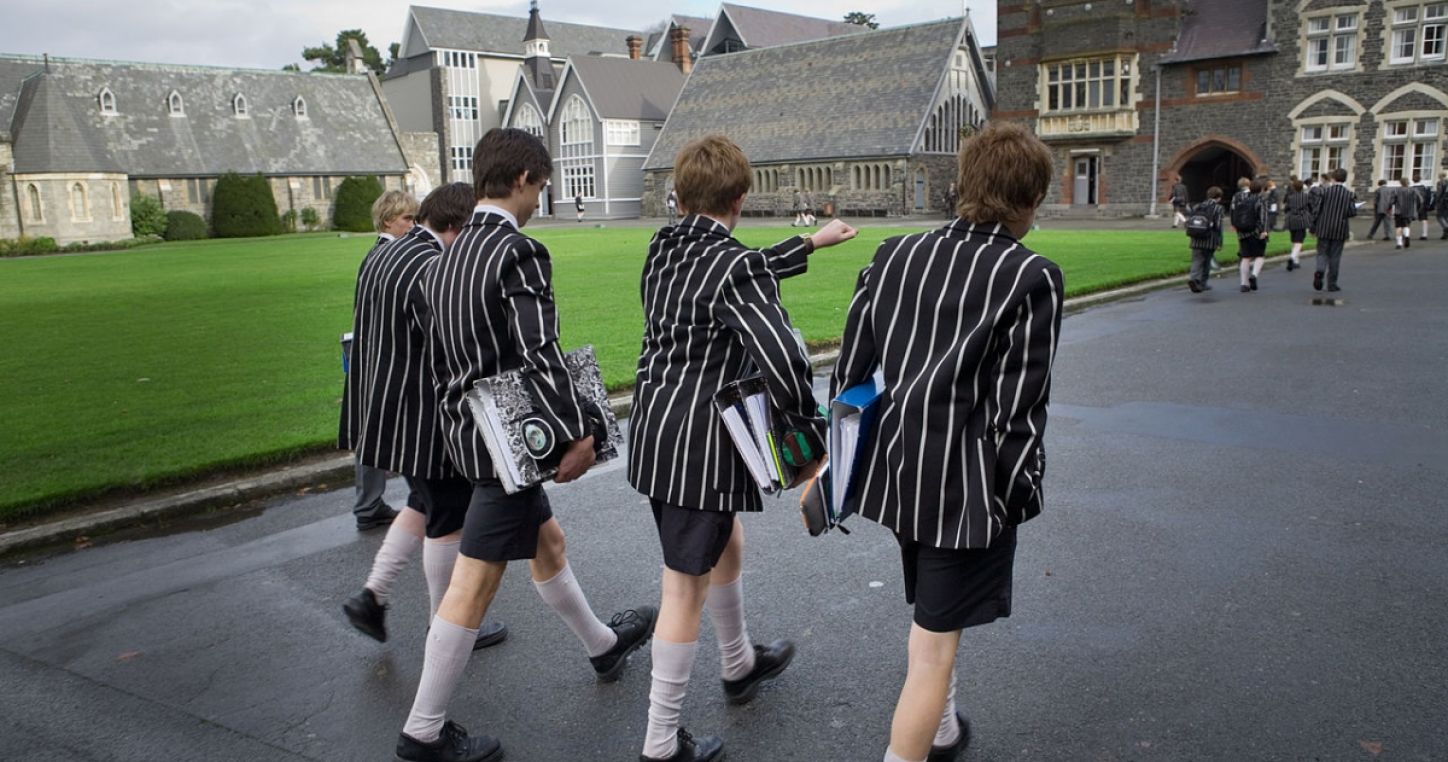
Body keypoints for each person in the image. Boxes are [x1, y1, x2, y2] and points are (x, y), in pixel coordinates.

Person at [398, 129, 656, 762]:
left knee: (549, 543)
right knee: (474, 585)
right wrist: (581, 432)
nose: (540, 199)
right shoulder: (518, 253)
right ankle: (423, 731)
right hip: (510, 446)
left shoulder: (444, 256)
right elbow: (540, 354)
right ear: (520, 179)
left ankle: (602, 645)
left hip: (468, 434)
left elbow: (445, 360)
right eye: (539, 186)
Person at [832, 122, 1063, 762]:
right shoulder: (1030, 275)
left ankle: (943, 731)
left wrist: (840, 473)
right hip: (965, 488)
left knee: (935, 618)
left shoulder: (894, 253)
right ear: (1028, 200)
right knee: (934, 647)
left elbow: (851, 374)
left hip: (896, 472)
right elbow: (1019, 410)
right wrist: (1017, 496)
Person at [627, 134, 857, 762]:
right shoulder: (732, 267)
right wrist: (808, 438)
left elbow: (740, 267)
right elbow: (782, 354)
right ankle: (659, 742)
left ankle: (739, 663)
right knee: (682, 587)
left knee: (725, 542)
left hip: (655, 433)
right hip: (701, 445)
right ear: (739, 196)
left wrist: (809, 243)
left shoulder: (664, 246)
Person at [339, 184, 508, 651]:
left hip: (381, 401)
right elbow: (449, 344)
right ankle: (446, 625)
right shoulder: (429, 265)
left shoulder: (384, 254)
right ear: (454, 227)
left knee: (423, 503)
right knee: (447, 518)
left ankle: (372, 596)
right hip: (419, 413)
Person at [349, 190, 417, 531]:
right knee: (396, 427)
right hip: (385, 353)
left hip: (372, 351)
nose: (413, 224)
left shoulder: (374, 256)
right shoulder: (391, 256)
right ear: (389, 219)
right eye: (407, 218)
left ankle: (370, 503)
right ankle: (419, 499)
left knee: (375, 427)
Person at [1311, 167, 1357, 292]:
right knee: (1335, 256)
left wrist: (1313, 226)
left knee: (1322, 253)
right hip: (1340, 228)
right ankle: (1332, 284)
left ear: (1333, 178)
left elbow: (1317, 210)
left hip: (1324, 226)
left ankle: (1320, 270)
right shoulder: (1349, 194)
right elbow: (1352, 212)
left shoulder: (1324, 192)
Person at [1232, 177, 1270, 293]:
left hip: (1243, 232)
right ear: (1260, 190)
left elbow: (1234, 212)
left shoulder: (1241, 199)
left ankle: (1244, 284)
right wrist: (1264, 231)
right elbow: (1263, 216)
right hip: (1256, 231)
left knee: (1245, 257)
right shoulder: (1260, 200)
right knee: (1259, 255)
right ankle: (1253, 275)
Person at [1187, 186, 1224, 292]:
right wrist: (1219, 242)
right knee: (1207, 261)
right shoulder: (1218, 208)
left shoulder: (1197, 206)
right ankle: (1203, 283)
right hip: (1209, 239)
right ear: (1219, 197)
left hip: (1196, 238)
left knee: (1196, 260)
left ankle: (1194, 279)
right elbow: (1218, 226)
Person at [1283, 178, 1312, 270]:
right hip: (1301, 220)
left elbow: (1286, 209)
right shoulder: (1306, 196)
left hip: (1291, 219)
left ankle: (1296, 261)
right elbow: (1310, 207)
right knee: (1299, 242)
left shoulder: (1290, 197)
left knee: (1294, 240)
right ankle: (1292, 258)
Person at [1390, 177, 1419, 249]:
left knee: (1398, 227)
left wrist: (1389, 207)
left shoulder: (1396, 190)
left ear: (1400, 182)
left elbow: (1392, 201)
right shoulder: (1413, 190)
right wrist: (1416, 208)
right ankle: (1407, 236)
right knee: (1406, 225)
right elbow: (1419, 200)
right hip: (1409, 211)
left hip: (1399, 211)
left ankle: (1399, 243)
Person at [1413, 173, 1433, 240]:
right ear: (1420, 179)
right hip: (1423, 205)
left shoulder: (1411, 189)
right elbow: (1428, 197)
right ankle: (1424, 234)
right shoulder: (1425, 188)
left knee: (1408, 220)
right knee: (1424, 220)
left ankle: (1406, 234)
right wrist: (1427, 205)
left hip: (1413, 206)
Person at [1437, 171, 1448, 240]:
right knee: (1446, 216)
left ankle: (1446, 228)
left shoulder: (1440, 183)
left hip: (1442, 201)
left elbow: (1439, 193)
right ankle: (1445, 234)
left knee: (1439, 216)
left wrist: (1437, 200)